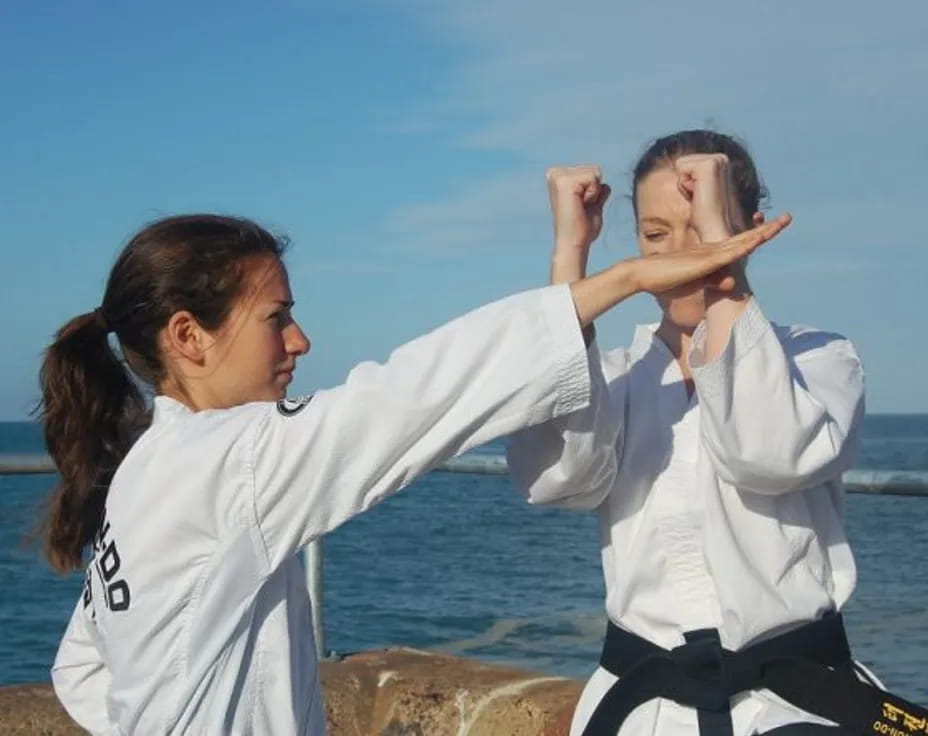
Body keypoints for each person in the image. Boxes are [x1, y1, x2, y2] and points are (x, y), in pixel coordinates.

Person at [38, 210, 787, 734]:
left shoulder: (148, 471)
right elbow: (410, 398)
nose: (300, 339)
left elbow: (85, 669)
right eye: (276, 317)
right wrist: (621, 279)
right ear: (187, 338)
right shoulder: (226, 465)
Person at [507, 131, 928, 735]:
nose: (683, 255)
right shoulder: (613, 376)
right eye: (656, 235)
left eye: (704, 229)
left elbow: (768, 455)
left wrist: (725, 279)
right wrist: (569, 258)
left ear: (752, 231)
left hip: (794, 707)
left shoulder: (817, 358)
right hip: (644, 711)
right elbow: (556, 478)